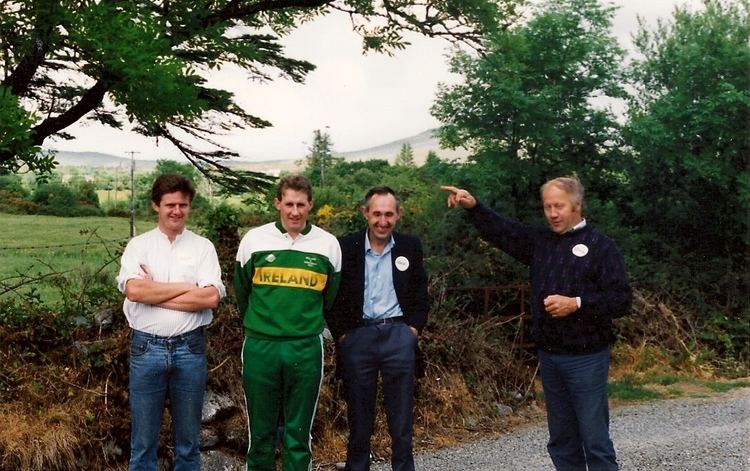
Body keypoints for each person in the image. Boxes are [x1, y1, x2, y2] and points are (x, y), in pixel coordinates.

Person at [442, 178, 631, 471]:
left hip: (587, 358)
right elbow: (504, 232)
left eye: (560, 206)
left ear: (577, 206)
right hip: (550, 356)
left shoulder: (601, 246)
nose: (553, 213)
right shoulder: (541, 242)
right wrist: (474, 207)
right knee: (562, 440)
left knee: (595, 440)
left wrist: (577, 303)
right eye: (547, 207)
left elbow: (621, 300)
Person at [117, 173, 226, 471]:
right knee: (143, 442)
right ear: (156, 206)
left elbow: (210, 299)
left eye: (183, 205)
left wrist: (156, 293)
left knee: (189, 444)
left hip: (189, 349)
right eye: (170, 205)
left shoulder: (202, 247)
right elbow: (135, 290)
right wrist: (187, 287)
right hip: (146, 349)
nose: (177, 211)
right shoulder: (138, 246)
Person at [234, 174, 342, 471]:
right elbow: (242, 292)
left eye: (301, 205)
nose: (295, 211)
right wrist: (263, 324)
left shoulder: (328, 245)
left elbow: (329, 297)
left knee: (298, 435)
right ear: (277, 203)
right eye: (289, 204)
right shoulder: (254, 240)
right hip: (260, 346)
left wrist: (302, 323)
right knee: (261, 434)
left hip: (305, 347)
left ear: (311, 205)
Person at [328, 186, 429, 471]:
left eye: (388, 214)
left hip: (398, 336)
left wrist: (413, 331)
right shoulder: (345, 247)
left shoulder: (410, 246)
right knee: (359, 419)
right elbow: (331, 296)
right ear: (365, 213)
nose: (382, 221)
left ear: (398, 215)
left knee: (401, 421)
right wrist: (343, 335)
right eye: (376, 214)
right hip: (358, 338)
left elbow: (421, 293)